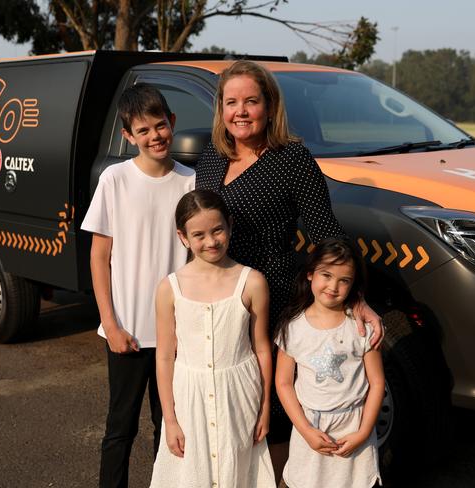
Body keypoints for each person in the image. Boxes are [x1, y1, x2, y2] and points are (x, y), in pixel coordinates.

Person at [194, 59, 384, 482]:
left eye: (251, 101)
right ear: (220, 110)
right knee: (223, 403)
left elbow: (326, 234)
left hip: (269, 302)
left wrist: (357, 300)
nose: (240, 111)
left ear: (269, 106)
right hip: (215, 303)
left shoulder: (292, 159)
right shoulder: (211, 157)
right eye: (231, 102)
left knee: (272, 413)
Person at [81, 83, 195, 488]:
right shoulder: (115, 179)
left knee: (171, 429)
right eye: (143, 131)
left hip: (176, 336)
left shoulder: (190, 181)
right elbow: (99, 257)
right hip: (126, 332)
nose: (155, 136)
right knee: (120, 429)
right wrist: (109, 324)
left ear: (173, 123)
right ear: (128, 136)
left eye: (160, 126)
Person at [149, 189, 276, 488]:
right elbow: (165, 355)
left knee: (239, 471)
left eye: (217, 230)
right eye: (199, 235)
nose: (210, 242)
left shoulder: (253, 282)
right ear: (183, 237)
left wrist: (266, 406)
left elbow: (262, 348)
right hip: (189, 398)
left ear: (230, 225)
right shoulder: (169, 288)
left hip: (240, 396)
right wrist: (170, 419)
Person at [274, 237, 384, 488]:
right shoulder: (292, 327)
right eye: (326, 275)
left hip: (354, 429)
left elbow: (377, 383)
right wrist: (305, 430)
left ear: (353, 284)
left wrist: (364, 431)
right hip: (310, 429)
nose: (333, 286)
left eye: (344, 280)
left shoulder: (362, 327)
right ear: (310, 274)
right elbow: (283, 383)